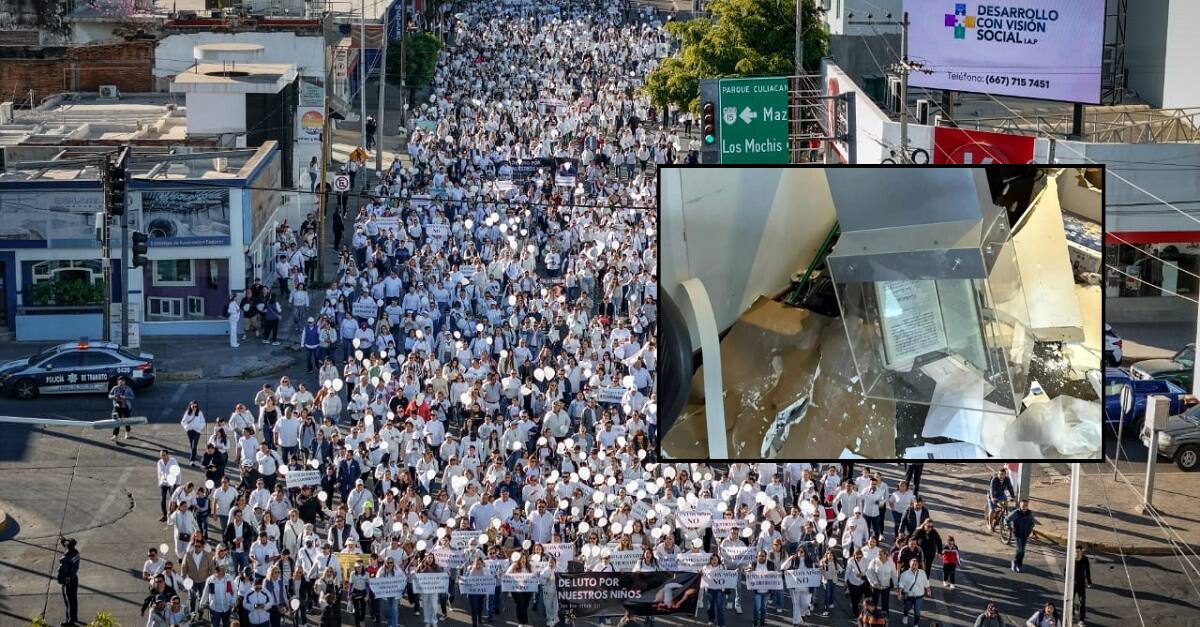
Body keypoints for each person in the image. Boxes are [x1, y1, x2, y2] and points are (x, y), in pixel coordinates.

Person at [1005, 500, 1037, 573]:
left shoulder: (1029, 513)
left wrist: (1031, 531)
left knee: (1022, 551)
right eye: (1023, 506)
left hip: (1025, 534)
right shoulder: (1016, 513)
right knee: (1020, 550)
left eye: (1026, 505)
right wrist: (1008, 526)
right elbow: (1007, 519)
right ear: (1020, 506)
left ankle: (1019, 564)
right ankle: (1014, 562)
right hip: (1018, 534)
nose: (1024, 507)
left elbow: (1032, 522)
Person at [898, 558, 930, 626]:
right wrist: (900, 593)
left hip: (919, 596)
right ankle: (905, 616)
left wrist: (928, 590)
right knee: (907, 608)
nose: (914, 566)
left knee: (917, 611)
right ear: (910, 565)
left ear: (918, 565)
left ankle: (916, 624)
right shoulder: (904, 574)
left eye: (916, 565)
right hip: (909, 595)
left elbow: (926, 582)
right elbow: (901, 584)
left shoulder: (922, 573)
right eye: (913, 565)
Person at [57, 536, 80, 626]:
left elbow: (62, 571)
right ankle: (74, 617)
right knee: (74, 599)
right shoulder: (76, 553)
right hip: (74, 578)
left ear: (68, 546)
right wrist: (62, 539)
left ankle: (70, 621)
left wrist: (60, 580)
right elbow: (67, 546)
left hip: (68, 581)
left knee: (69, 601)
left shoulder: (65, 559)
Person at [108, 376, 135, 441]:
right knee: (116, 421)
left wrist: (125, 397)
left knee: (126, 421)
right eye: (120, 382)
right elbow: (109, 395)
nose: (121, 383)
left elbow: (133, 397)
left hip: (125, 407)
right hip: (117, 407)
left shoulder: (128, 388)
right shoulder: (115, 388)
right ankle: (115, 435)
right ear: (117, 382)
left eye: (122, 382)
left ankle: (127, 433)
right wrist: (113, 397)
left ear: (125, 382)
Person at [181, 400, 206, 464]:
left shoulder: (199, 413)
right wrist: (187, 428)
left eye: (196, 406)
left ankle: (192, 461)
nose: (195, 408)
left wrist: (199, 428)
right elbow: (183, 422)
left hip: (197, 431)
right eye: (193, 406)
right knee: (192, 445)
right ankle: (195, 454)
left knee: (194, 445)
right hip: (189, 431)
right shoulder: (187, 412)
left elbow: (203, 422)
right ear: (190, 406)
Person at [1073, 546, 1093, 626]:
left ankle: (1081, 619)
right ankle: (1072, 613)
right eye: (1075, 551)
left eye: (1078, 551)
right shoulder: (1071, 559)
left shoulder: (1085, 559)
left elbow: (1087, 571)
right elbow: (1065, 569)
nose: (1076, 553)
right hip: (1072, 583)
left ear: (1081, 551)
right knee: (1071, 600)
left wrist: (1089, 582)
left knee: (1082, 602)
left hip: (1081, 584)